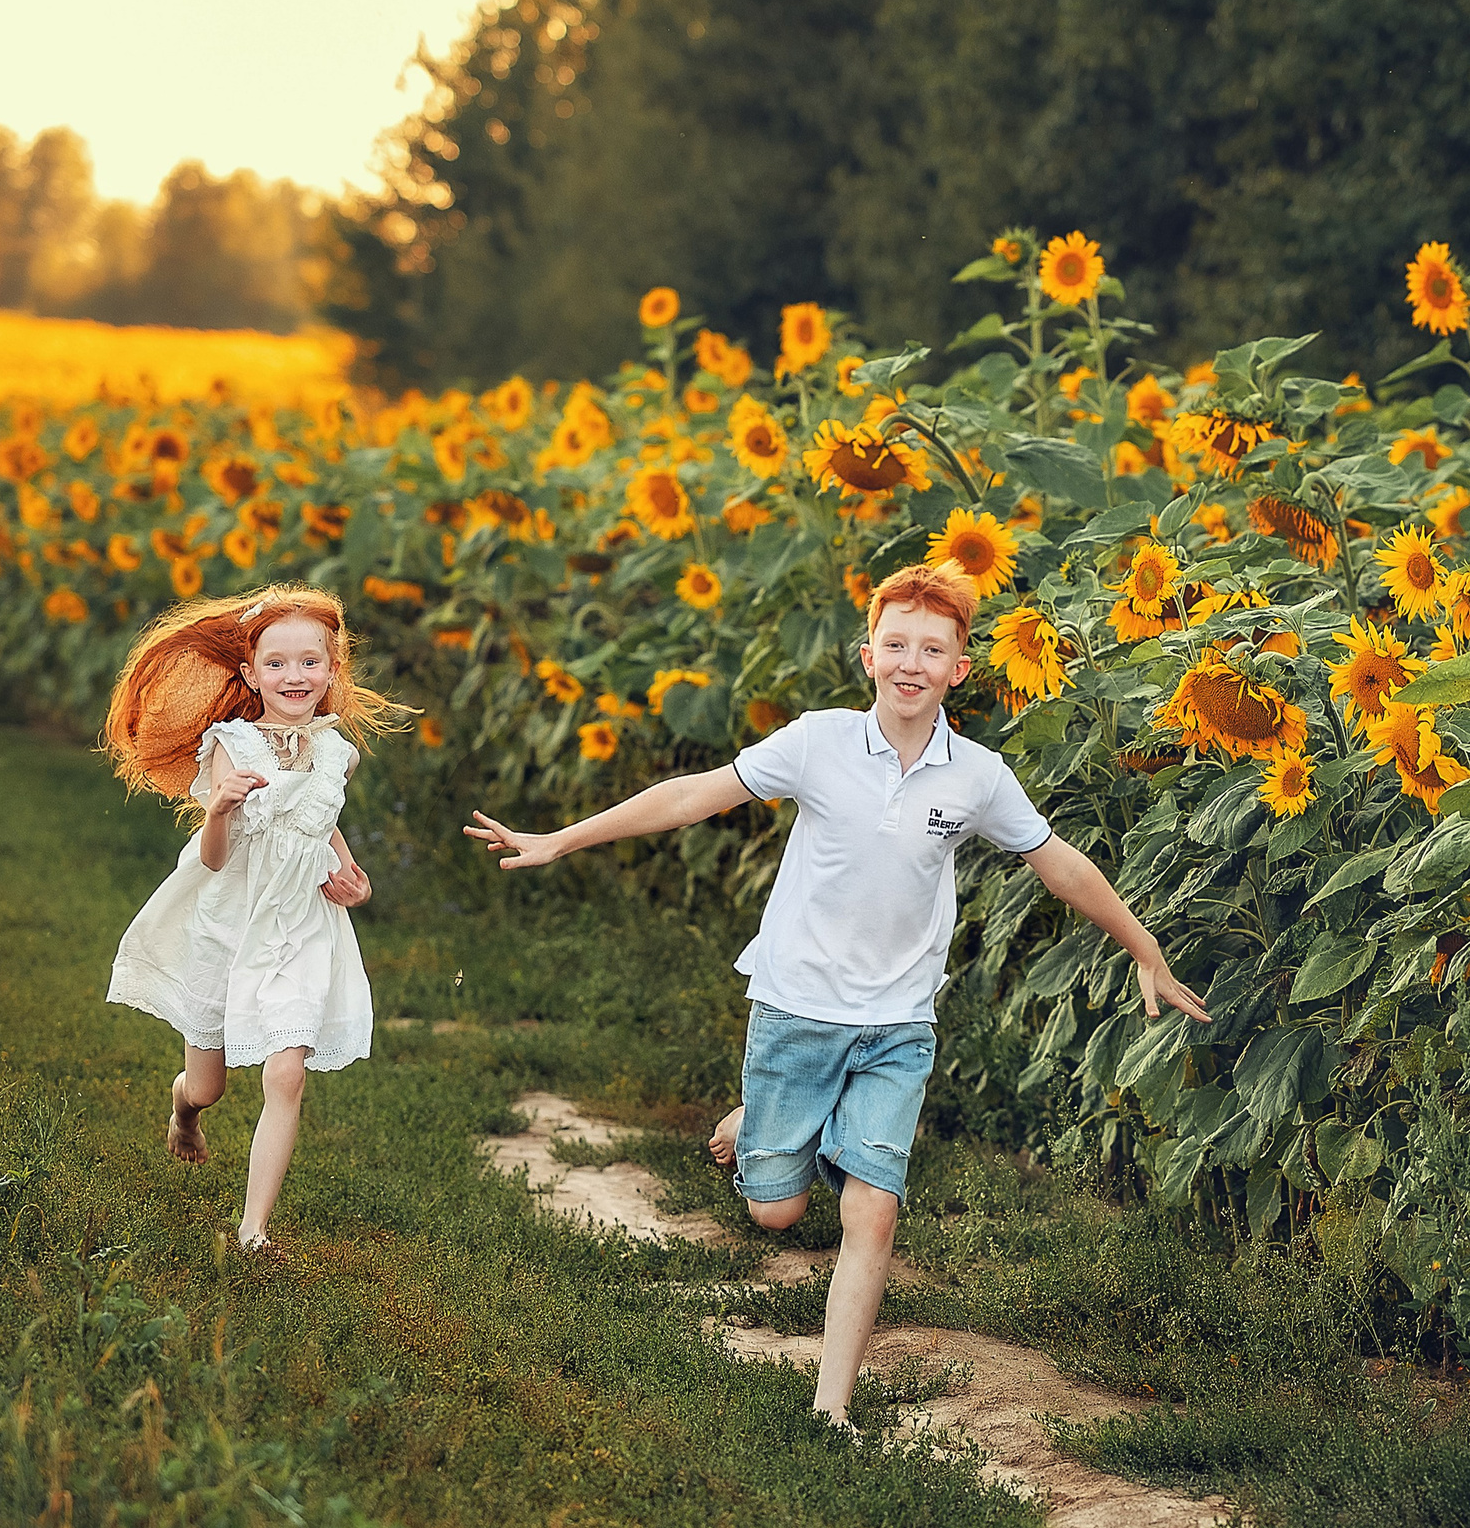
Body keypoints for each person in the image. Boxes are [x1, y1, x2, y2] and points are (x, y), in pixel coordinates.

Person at [464, 562, 1207, 1426]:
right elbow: (689, 797)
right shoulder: (816, 741)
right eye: (896, 644)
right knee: (776, 1211)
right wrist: (562, 839)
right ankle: (761, 1122)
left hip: (898, 1022)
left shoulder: (977, 776)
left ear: (959, 670)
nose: (912, 662)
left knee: (874, 1210)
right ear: (868, 656)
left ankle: (831, 1407)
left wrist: (1143, 947)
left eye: (933, 649)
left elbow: (1059, 866)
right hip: (796, 1008)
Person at [104, 585, 409, 1256]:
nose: (294, 677)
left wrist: (350, 878)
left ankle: (252, 1230)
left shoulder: (337, 753)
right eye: (276, 664)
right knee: (209, 1084)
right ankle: (184, 1111)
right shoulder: (231, 744)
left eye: (310, 663)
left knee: (285, 1073)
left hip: (299, 926)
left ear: (332, 670)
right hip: (228, 925)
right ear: (249, 674)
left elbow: (319, 828)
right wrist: (218, 808)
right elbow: (214, 862)